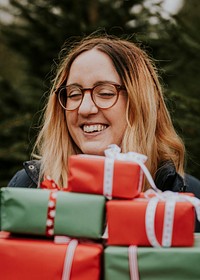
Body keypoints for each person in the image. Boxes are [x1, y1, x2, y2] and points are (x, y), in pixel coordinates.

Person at [8, 33, 200, 230]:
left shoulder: (189, 198)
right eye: (74, 94)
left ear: (140, 102)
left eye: (106, 93)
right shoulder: (28, 187)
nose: (85, 108)